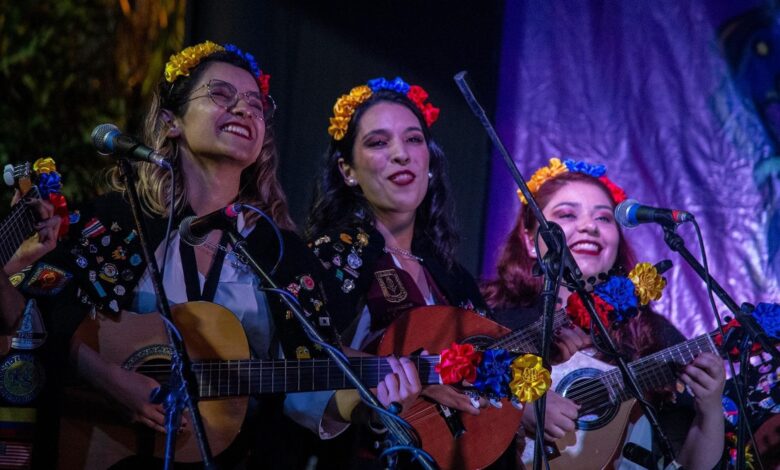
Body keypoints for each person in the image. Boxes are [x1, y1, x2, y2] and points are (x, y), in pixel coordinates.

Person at [0, 41, 421, 469]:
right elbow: (27, 308)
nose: (244, 110)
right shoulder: (112, 222)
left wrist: (374, 400)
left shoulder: (280, 254)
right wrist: (108, 377)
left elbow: (308, 373)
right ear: (171, 122)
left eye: (256, 105)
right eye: (221, 95)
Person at [305, 77, 520, 469]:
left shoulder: (450, 273)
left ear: (430, 163)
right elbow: (305, 355)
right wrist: (419, 375)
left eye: (414, 140)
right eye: (378, 142)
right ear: (347, 170)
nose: (401, 154)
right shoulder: (332, 256)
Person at [481, 158, 726, 470]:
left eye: (604, 218)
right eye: (566, 215)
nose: (589, 226)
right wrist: (519, 408)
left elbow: (690, 464)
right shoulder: (495, 321)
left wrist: (710, 408)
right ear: (530, 240)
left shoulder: (650, 334)